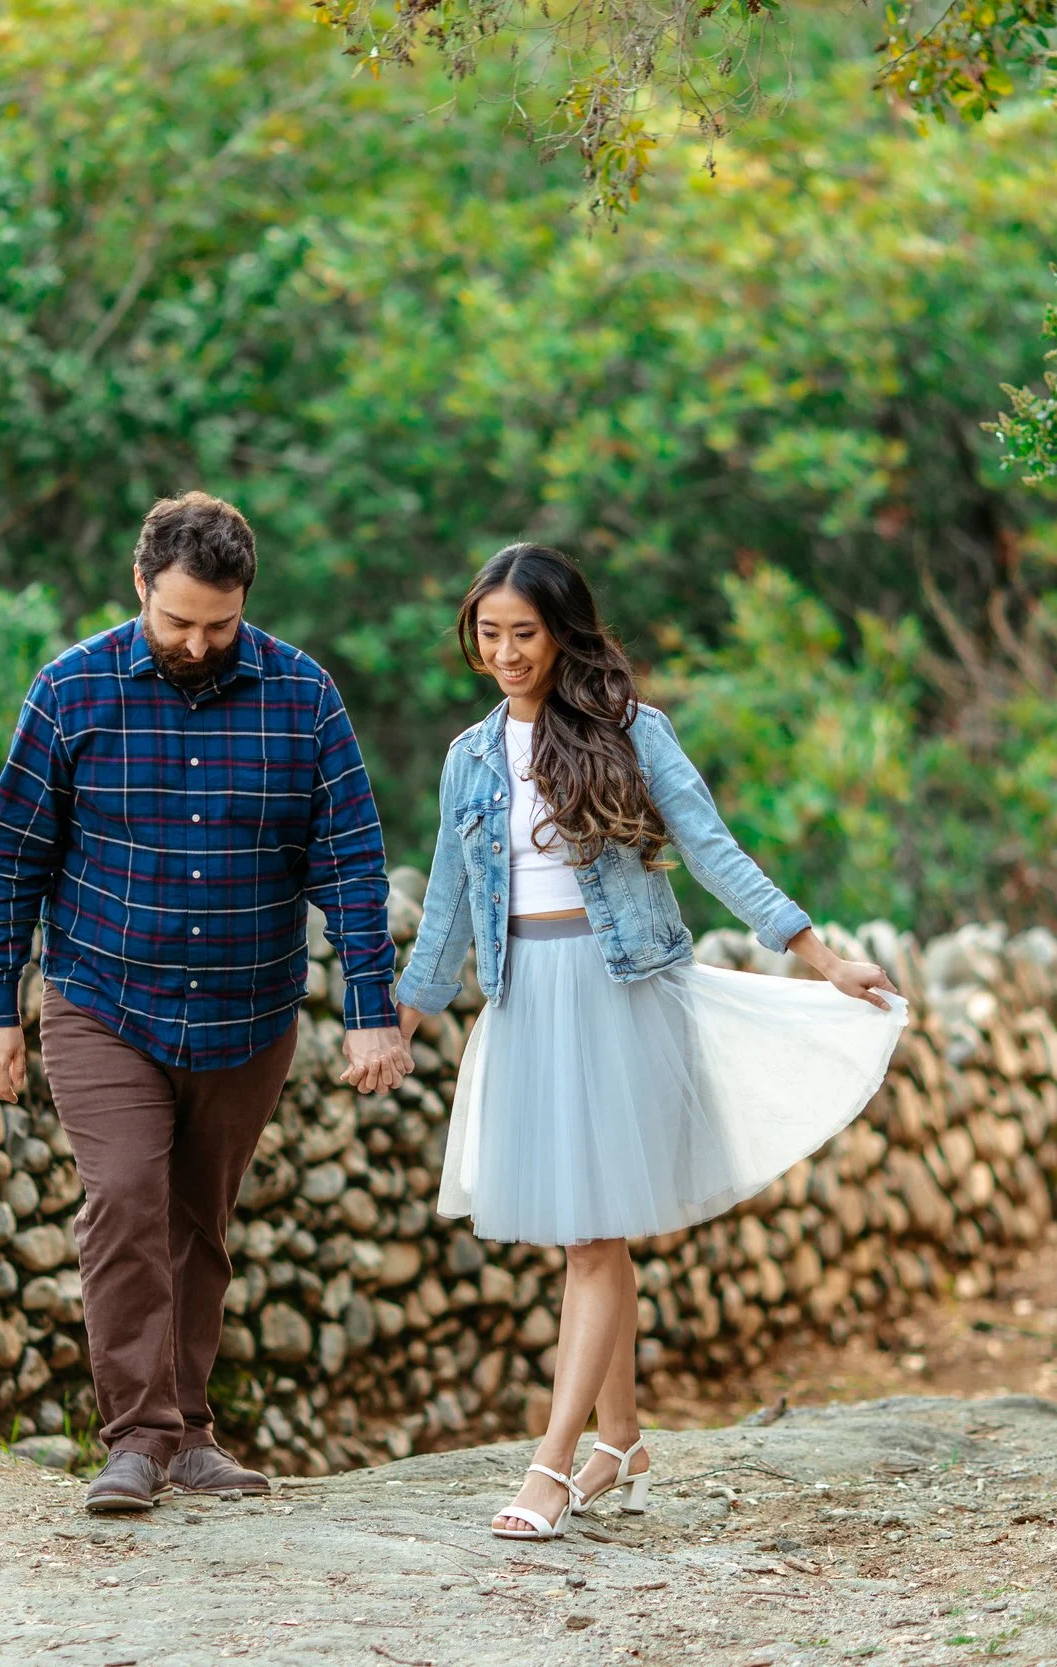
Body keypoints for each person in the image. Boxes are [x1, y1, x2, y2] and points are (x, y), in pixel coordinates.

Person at [394, 544, 909, 1540]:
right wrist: (400, 1014)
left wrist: (821, 953)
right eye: (488, 633)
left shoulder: (634, 732)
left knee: (590, 1234)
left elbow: (714, 849)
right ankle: (620, 1439)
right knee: (591, 1233)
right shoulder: (469, 755)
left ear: (562, 631)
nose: (504, 652)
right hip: (524, 1002)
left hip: (618, 990)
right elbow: (450, 903)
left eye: (523, 633)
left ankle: (551, 1462)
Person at [0, 491, 414, 1515]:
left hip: (247, 1011)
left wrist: (369, 1003)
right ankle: (134, 1437)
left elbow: (347, 859)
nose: (197, 642)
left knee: (197, 1224)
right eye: (177, 621)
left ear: (245, 600)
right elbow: (11, 857)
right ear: (141, 586)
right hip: (101, 996)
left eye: (218, 624)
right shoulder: (70, 689)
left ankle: (192, 1430)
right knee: (125, 1199)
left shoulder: (302, 695)